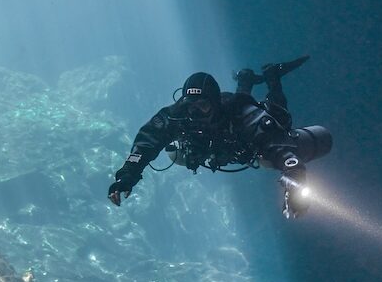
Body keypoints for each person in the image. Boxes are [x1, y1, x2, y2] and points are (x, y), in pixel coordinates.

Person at [107, 55, 332, 219]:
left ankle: (272, 76)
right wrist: (126, 177)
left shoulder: (246, 117)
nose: (194, 114)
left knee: (278, 120)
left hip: (243, 140)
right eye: (190, 106)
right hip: (221, 141)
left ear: (214, 104)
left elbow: (284, 153)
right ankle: (245, 78)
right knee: (176, 153)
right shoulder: (177, 116)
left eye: (202, 106)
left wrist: (294, 185)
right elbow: (146, 144)